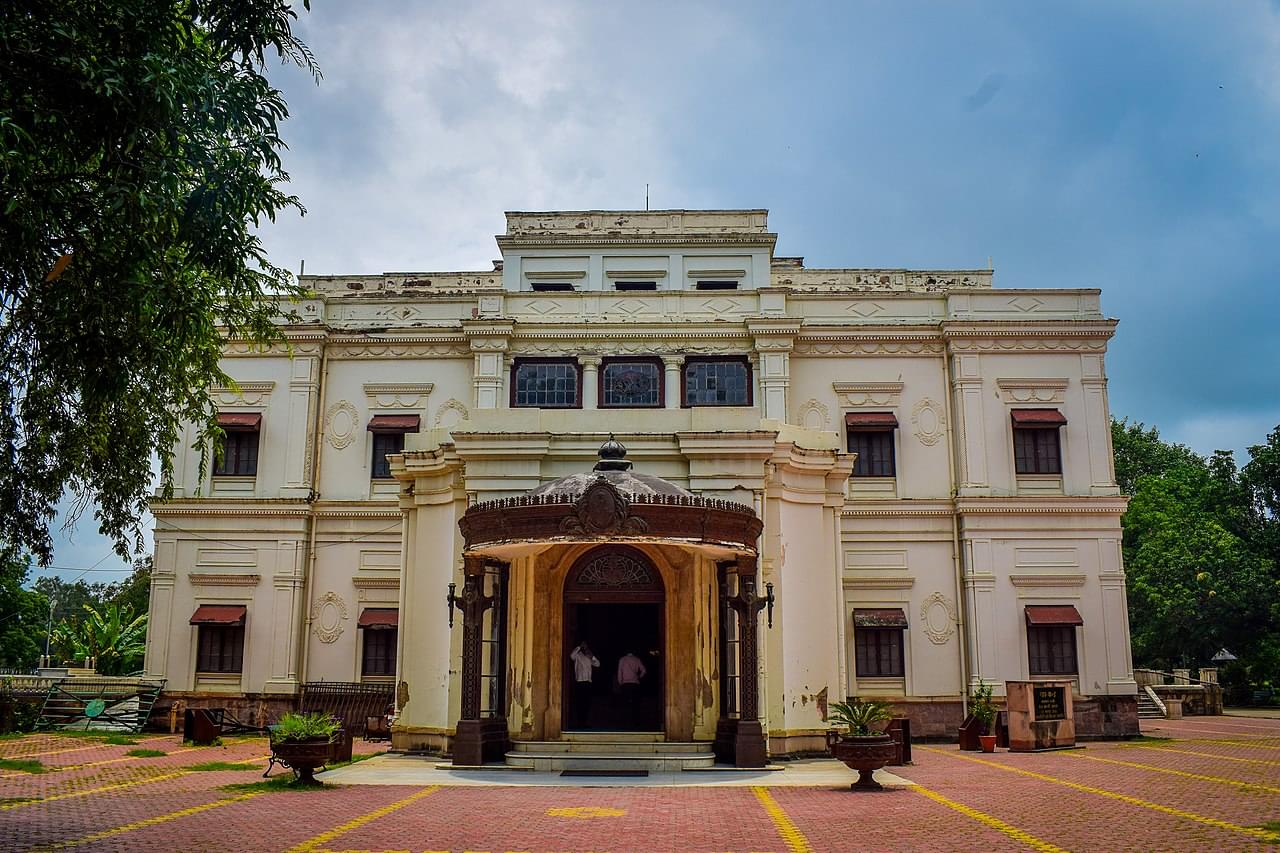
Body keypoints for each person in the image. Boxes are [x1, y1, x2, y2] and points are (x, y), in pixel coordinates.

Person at [569, 640, 600, 728]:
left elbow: (598, 664)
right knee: (580, 703)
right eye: (584, 646)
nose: (585, 647)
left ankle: (584, 722)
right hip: (580, 682)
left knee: (587, 704)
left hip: (588, 682)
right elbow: (571, 656)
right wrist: (579, 646)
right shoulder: (578, 655)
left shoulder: (589, 656)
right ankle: (579, 723)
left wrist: (592, 656)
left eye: (586, 645)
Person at [616, 649, 647, 725]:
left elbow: (619, 672)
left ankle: (625, 722)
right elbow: (644, 671)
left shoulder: (622, 659)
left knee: (625, 704)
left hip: (625, 684)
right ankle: (635, 722)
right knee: (636, 704)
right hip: (635, 684)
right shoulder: (637, 659)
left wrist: (620, 683)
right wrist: (639, 677)